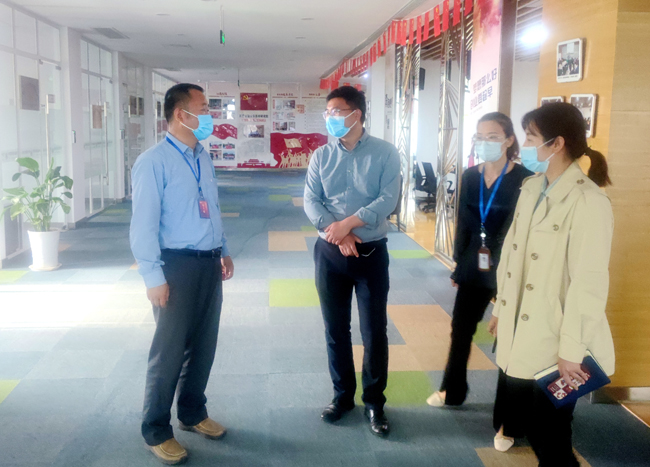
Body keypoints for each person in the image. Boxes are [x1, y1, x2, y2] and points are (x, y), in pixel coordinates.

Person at [487, 102, 615, 466]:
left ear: (556, 144)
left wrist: (572, 349)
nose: (524, 146)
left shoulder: (589, 201)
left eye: (531, 138)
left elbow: (589, 283)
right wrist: (501, 307)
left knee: (552, 433)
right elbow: (512, 256)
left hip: (559, 337)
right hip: (523, 328)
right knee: (533, 425)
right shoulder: (531, 187)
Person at [130, 83, 235, 465]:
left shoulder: (202, 156)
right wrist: (152, 276)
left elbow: (212, 207)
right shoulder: (153, 162)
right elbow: (143, 225)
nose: (209, 115)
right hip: (175, 265)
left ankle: (192, 412)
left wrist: (223, 248)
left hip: (208, 261)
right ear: (181, 114)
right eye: (203, 108)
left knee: (204, 345)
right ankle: (156, 429)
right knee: (169, 350)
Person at [426, 113, 533, 452]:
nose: (484, 142)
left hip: (510, 268)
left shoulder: (526, 180)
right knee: (460, 330)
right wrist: (459, 265)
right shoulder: (470, 176)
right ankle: (452, 390)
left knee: (508, 344)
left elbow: (523, 233)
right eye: (479, 136)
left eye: (493, 136)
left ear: (509, 140)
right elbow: (464, 223)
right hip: (475, 263)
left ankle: (508, 421)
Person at [304, 86, 400, 438]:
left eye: (336, 111)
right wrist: (339, 233)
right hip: (330, 253)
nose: (329, 117)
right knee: (335, 329)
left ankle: (374, 402)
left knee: (374, 331)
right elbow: (311, 200)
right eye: (327, 112)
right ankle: (342, 397)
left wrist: (348, 224)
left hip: (370, 253)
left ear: (356, 114)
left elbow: (388, 199)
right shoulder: (320, 156)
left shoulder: (385, 153)